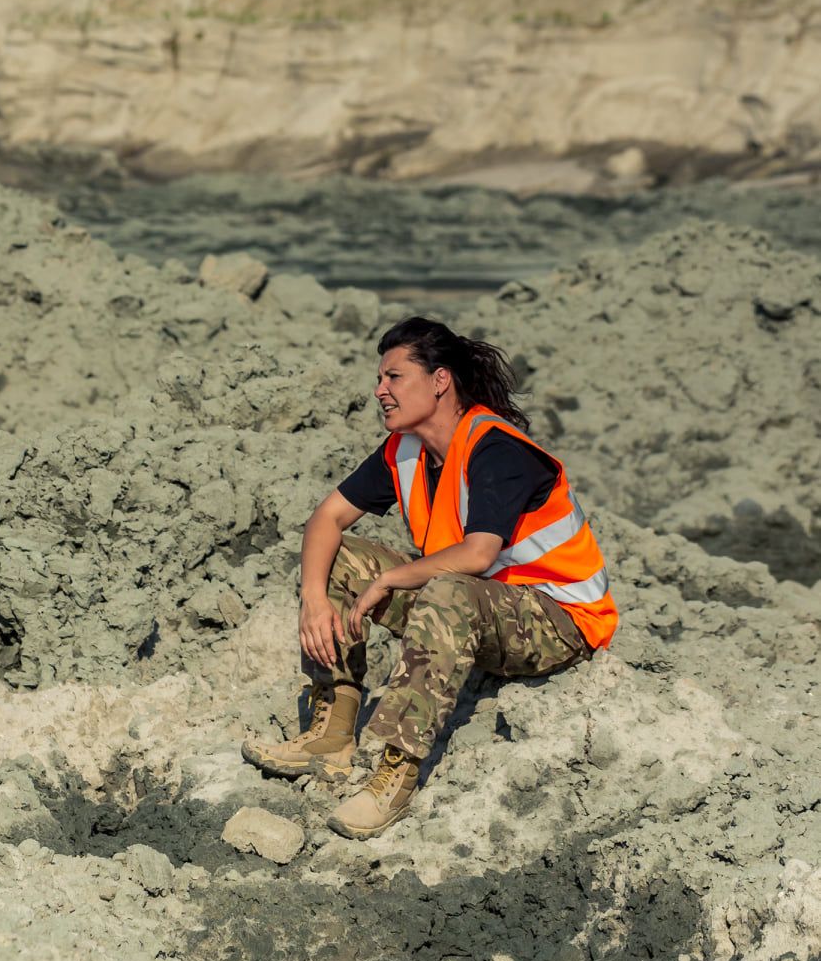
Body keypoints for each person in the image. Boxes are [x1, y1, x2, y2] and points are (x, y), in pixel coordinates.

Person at [242, 316, 618, 838]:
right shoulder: (408, 450)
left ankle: (395, 771)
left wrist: (392, 581)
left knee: (445, 589)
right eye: (380, 379)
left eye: (394, 377)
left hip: (558, 620)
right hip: (479, 606)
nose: (380, 391)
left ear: (440, 380)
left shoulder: (497, 448)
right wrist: (313, 600)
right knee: (341, 559)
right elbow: (326, 520)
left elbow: (479, 553)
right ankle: (332, 731)